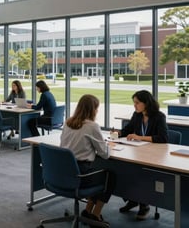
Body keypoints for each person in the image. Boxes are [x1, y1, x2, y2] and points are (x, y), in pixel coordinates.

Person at [60, 94, 114, 227]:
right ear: (92, 109)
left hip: (63, 173)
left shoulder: (68, 122)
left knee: (96, 171)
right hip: (80, 174)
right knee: (109, 176)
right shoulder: (92, 126)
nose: (97, 111)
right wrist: (109, 146)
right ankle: (95, 214)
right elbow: (105, 154)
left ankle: (87, 211)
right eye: (97, 108)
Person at [116, 90, 168, 220]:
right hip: (138, 151)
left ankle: (144, 205)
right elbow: (127, 130)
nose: (135, 106)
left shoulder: (159, 116)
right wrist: (116, 134)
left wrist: (140, 137)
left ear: (146, 103)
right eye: (134, 103)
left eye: (137, 103)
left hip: (155, 154)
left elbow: (163, 138)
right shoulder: (137, 115)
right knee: (124, 169)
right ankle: (133, 199)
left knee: (142, 173)